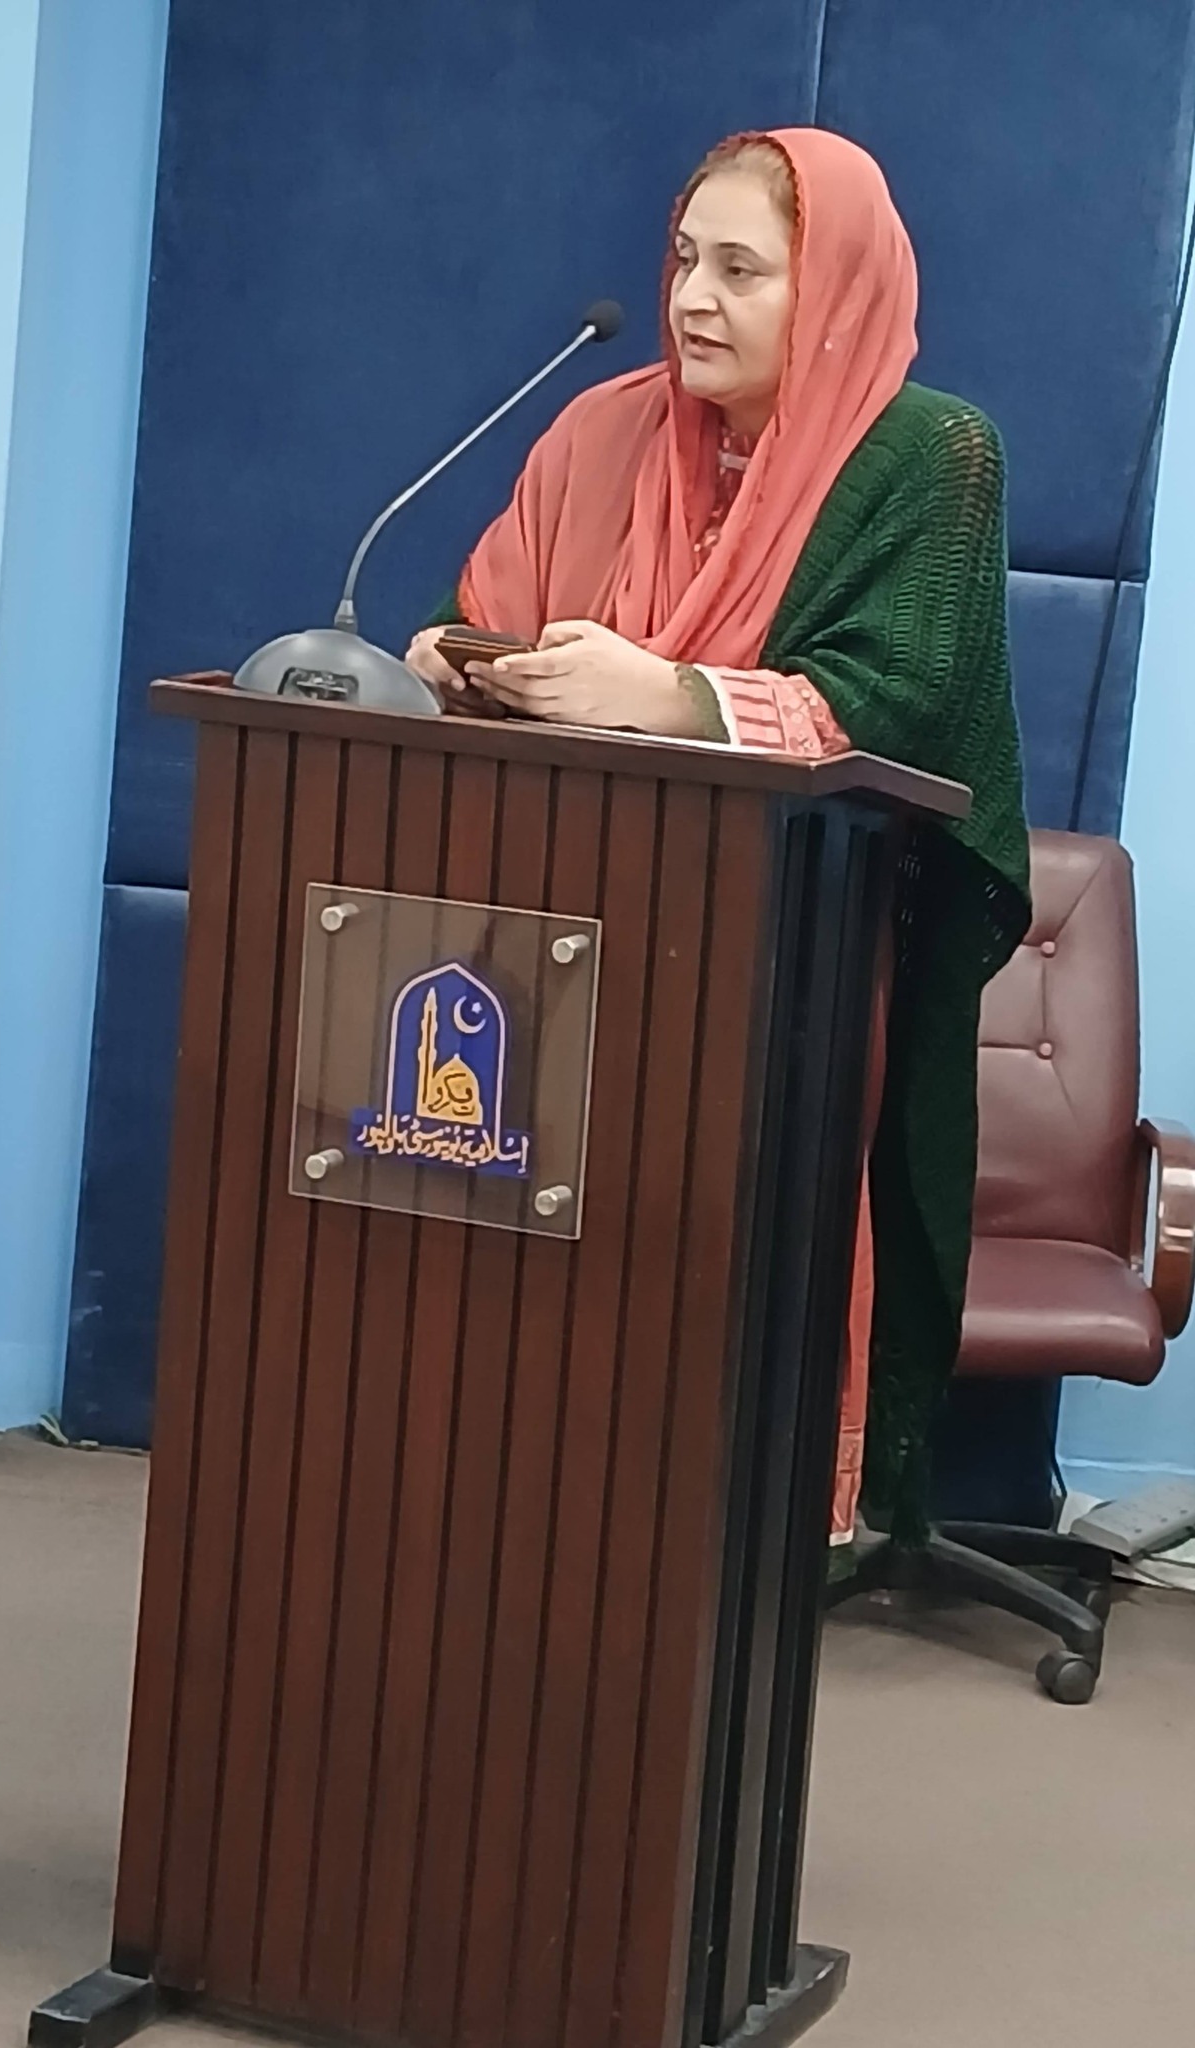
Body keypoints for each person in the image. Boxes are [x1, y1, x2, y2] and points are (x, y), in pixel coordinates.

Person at [407, 128, 1030, 1544]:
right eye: (686, 259)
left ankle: (711, 1553)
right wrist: (455, 657)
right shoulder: (600, 429)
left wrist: (674, 698)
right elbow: (484, 603)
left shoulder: (930, 455)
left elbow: (901, 703)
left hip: (780, 975)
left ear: (835, 286)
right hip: (551, 953)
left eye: (741, 271)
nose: (692, 298)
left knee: (696, 1340)